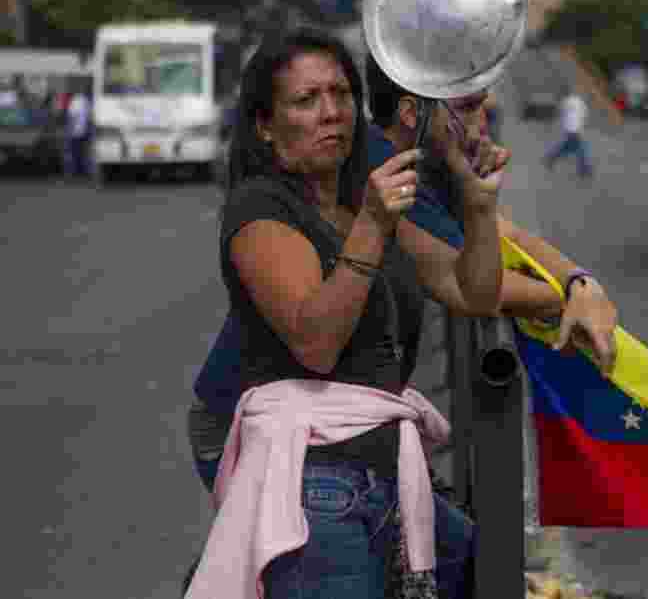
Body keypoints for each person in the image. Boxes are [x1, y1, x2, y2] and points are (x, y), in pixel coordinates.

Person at [184, 47, 621, 595]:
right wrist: (373, 223)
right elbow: (316, 345)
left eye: (341, 94)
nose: (331, 112)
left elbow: (468, 287)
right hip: (305, 468)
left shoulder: (356, 191)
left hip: (375, 455)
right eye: (307, 99)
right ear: (264, 126)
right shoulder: (270, 207)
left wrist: (480, 205)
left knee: (483, 570)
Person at [542, 86, 592, 178]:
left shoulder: (564, 102)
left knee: (569, 147)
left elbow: (559, 114)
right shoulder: (578, 101)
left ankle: (550, 159)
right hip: (576, 129)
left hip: (569, 129)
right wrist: (582, 124)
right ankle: (585, 169)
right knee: (581, 148)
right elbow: (585, 113)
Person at [64, 90, 93, 179]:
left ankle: (77, 172)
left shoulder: (75, 101)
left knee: (76, 152)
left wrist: (69, 129)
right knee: (82, 152)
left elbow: (71, 117)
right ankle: (82, 171)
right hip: (83, 131)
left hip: (76, 131)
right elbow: (89, 117)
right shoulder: (86, 101)